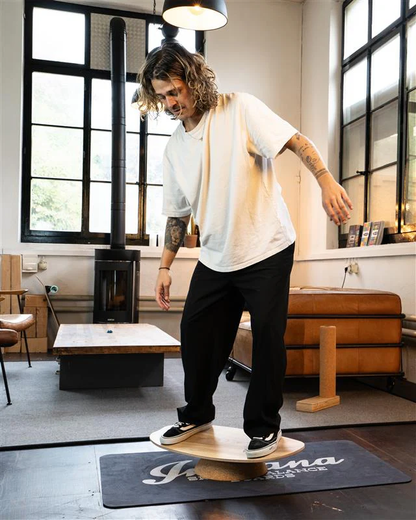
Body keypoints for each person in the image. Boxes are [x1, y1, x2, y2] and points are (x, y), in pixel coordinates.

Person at [137, 42, 352, 459]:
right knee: (195, 333)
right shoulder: (174, 148)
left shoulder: (238, 109)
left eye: (175, 91)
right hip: (216, 256)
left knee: (268, 336)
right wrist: (164, 266)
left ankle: (264, 426)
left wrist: (326, 179)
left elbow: (295, 140)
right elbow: (177, 215)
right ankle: (197, 414)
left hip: (266, 246)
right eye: (162, 97)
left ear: (194, 81)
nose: (171, 103)